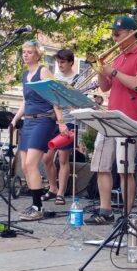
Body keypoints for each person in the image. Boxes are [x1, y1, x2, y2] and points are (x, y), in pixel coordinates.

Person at [85, 15, 137, 225]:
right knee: (101, 166)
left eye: (118, 34)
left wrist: (113, 71)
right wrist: (100, 71)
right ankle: (106, 210)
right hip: (110, 116)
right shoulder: (118, 56)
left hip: (129, 118)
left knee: (126, 169)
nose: (114, 38)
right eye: (113, 34)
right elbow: (106, 87)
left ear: (132, 33)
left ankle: (126, 213)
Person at [11, 40, 67, 221]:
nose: (25, 54)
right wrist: (15, 119)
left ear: (38, 55)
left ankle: (38, 207)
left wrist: (61, 122)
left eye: (29, 52)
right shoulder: (25, 74)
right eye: (24, 52)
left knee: (31, 164)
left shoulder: (43, 71)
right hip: (28, 121)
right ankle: (35, 204)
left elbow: (55, 96)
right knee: (24, 166)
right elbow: (26, 101)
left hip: (43, 121)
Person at [41, 49, 78, 206]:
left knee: (63, 158)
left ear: (70, 62)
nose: (60, 65)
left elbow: (79, 100)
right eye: (58, 62)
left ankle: (61, 193)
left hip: (69, 122)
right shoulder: (54, 78)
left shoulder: (77, 79)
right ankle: (53, 188)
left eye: (63, 62)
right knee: (46, 157)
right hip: (53, 121)